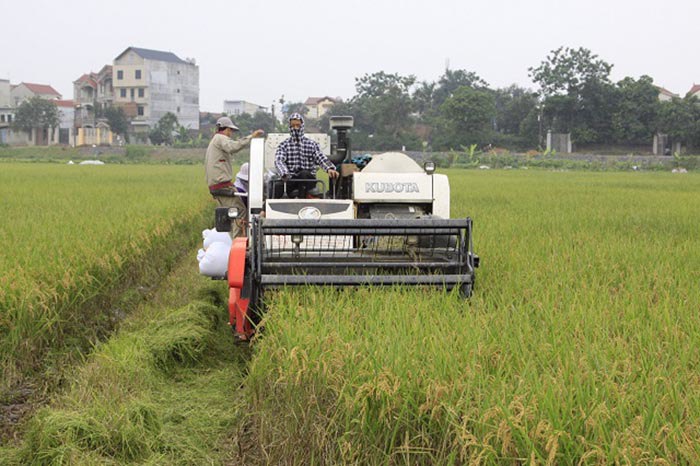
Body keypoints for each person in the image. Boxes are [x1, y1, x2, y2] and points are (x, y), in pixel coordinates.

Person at [205, 117, 263, 238]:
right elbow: (233, 147)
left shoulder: (214, 141)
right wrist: (251, 137)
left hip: (217, 185)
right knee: (240, 210)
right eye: (230, 131)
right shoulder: (220, 138)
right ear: (225, 129)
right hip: (222, 184)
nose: (230, 134)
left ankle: (236, 239)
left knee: (232, 214)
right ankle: (239, 243)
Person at [274, 113, 339, 198]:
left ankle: (301, 202)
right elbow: (279, 161)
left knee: (303, 174)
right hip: (291, 178)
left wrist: (329, 169)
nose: (295, 128)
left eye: (298, 125)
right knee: (277, 186)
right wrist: (284, 173)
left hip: (308, 179)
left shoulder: (311, 144)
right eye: (293, 126)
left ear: (302, 126)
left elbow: (321, 158)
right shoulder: (284, 145)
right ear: (290, 127)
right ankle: (264, 210)